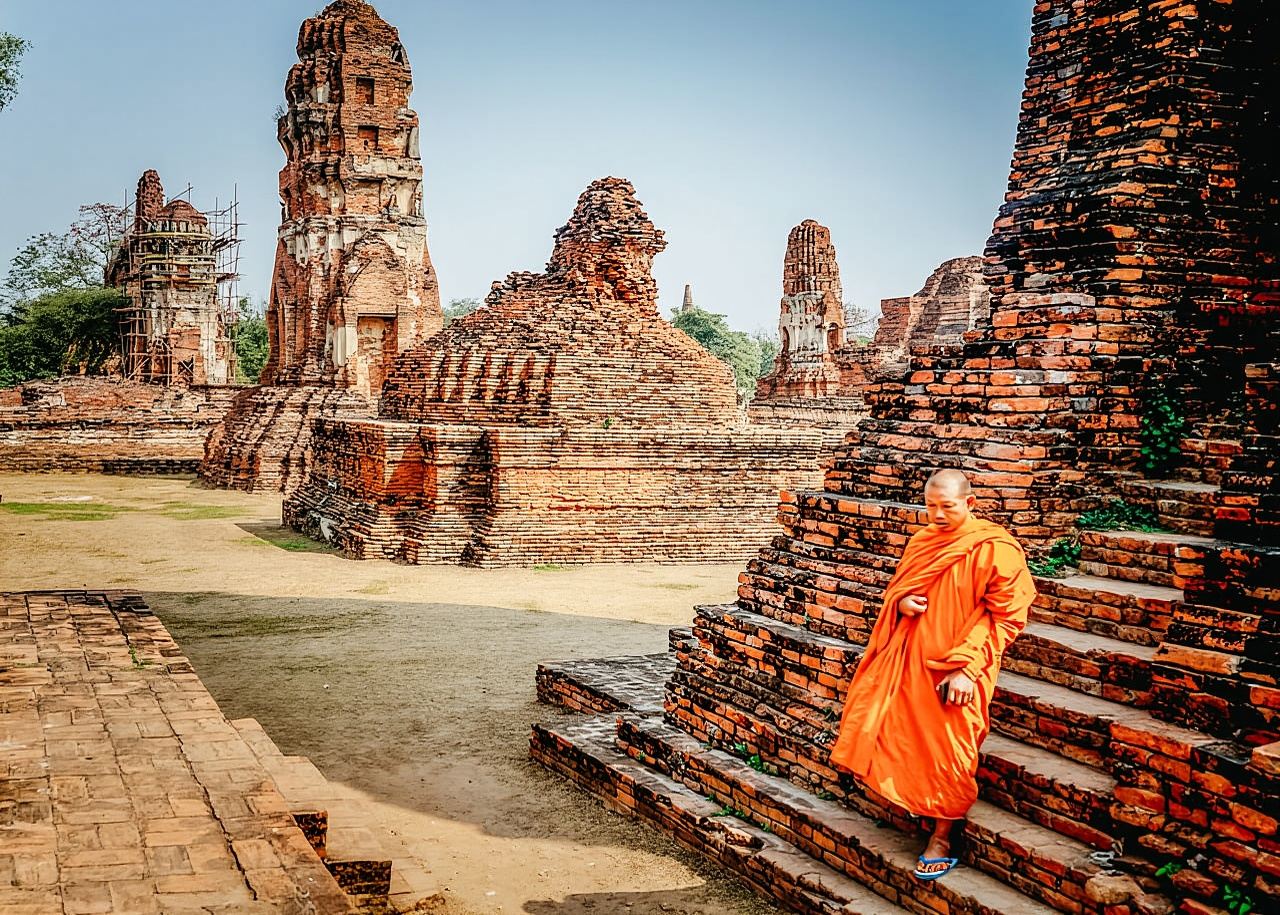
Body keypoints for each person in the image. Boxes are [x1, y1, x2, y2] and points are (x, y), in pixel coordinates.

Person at [829, 468, 1036, 881]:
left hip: (958, 667)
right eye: (931, 506)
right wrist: (901, 603)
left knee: (949, 748)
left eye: (948, 507)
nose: (938, 515)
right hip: (911, 657)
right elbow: (898, 590)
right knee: (898, 732)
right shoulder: (923, 541)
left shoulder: (995, 549)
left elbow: (1007, 618)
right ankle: (916, 806)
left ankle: (943, 835)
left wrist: (967, 668)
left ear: (969, 503)